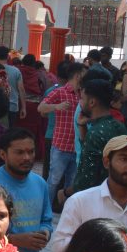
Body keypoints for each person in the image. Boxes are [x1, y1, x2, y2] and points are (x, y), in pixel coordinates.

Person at [50, 135, 127, 252]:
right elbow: (58, 247)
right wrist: (97, 245)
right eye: (124, 159)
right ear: (107, 162)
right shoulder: (80, 201)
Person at [0, 128, 53, 252]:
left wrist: (44, 234)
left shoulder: (40, 183)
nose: (27, 157)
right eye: (20, 152)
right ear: (3, 154)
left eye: (31, 151)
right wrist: (15, 239)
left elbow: (47, 221)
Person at [70, 78, 127, 195]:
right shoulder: (119, 126)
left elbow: (87, 178)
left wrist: (67, 193)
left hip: (96, 197)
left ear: (92, 102)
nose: (80, 102)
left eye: (82, 98)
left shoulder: (96, 132)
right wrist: (82, 126)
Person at [40, 61, 85, 200]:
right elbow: (41, 108)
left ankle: (67, 209)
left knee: (72, 184)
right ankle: (46, 208)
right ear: (78, 75)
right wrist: (56, 106)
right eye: (84, 73)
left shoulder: (84, 94)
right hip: (61, 145)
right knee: (53, 180)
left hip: (77, 147)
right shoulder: (59, 92)